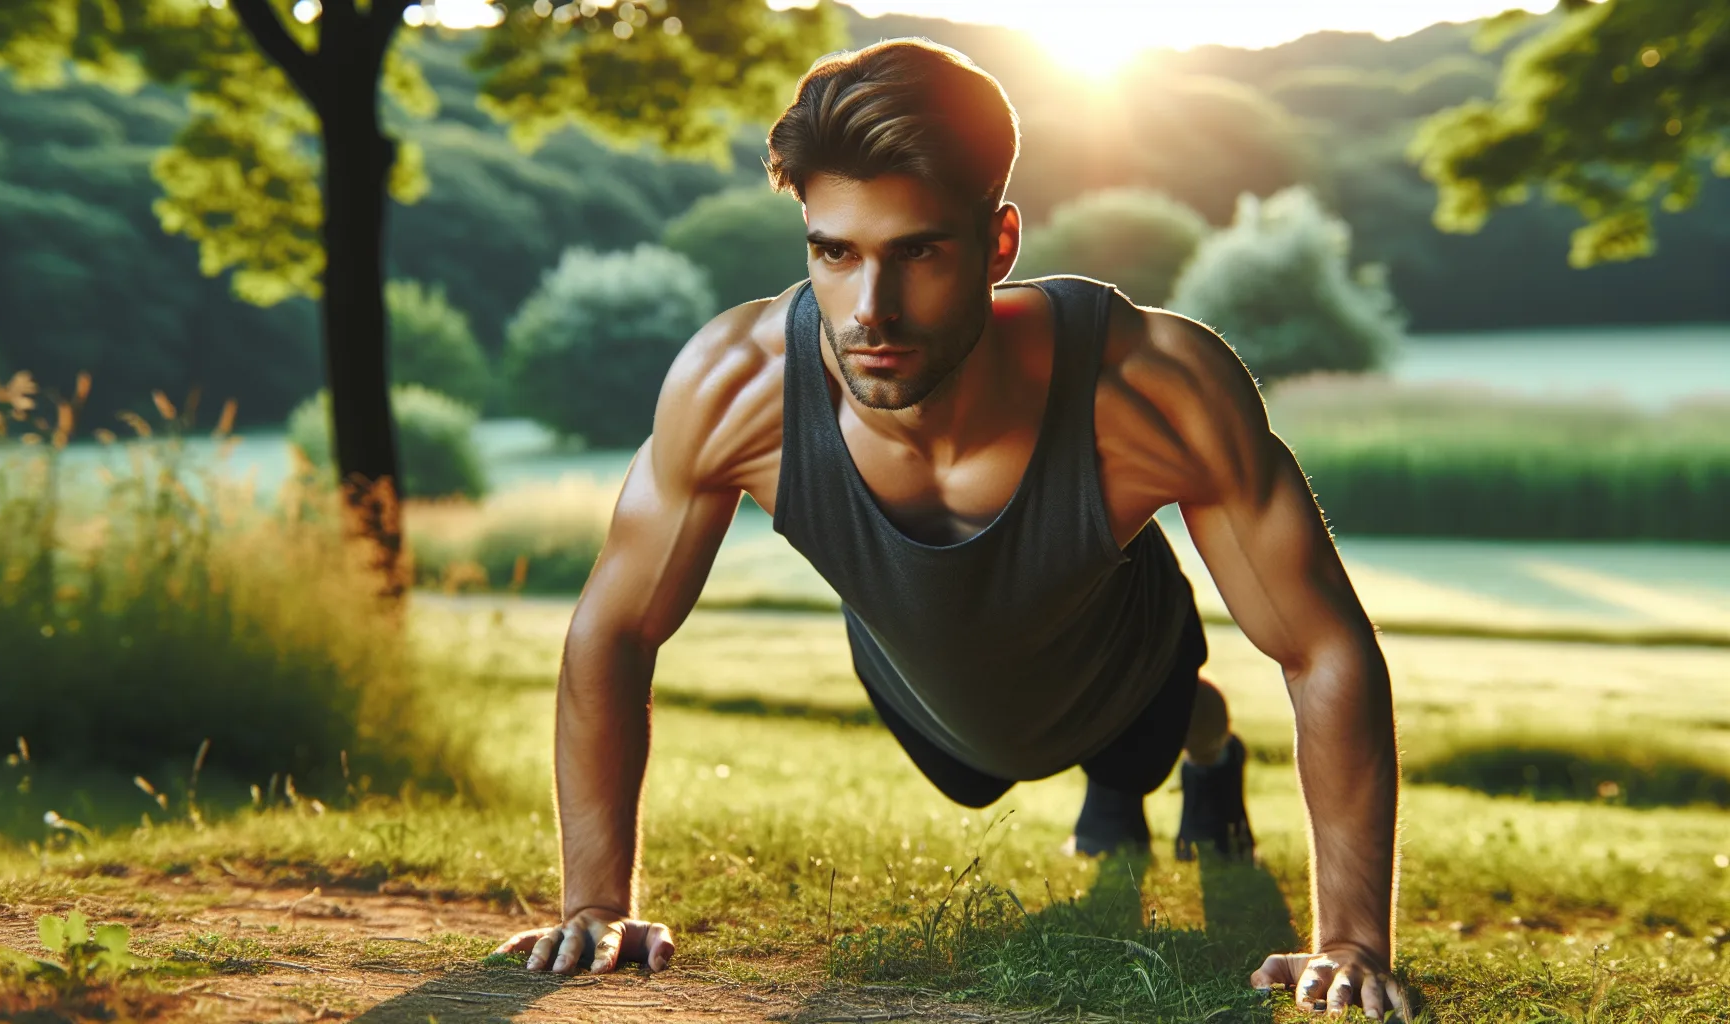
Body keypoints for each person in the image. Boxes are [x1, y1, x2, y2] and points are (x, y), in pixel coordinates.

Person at [496, 39, 1408, 1021]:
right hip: (919, 678)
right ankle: (1116, 777)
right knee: (976, 768)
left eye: (917, 251)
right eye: (833, 252)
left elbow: (1321, 647)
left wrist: (1351, 938)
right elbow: (614, 628)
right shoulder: (736, 387)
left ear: (999, 245)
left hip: (1118, 656)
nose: (869, 309)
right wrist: (595, 904)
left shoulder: (1149, 389)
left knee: (1152, 729)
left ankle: (1206, 759)